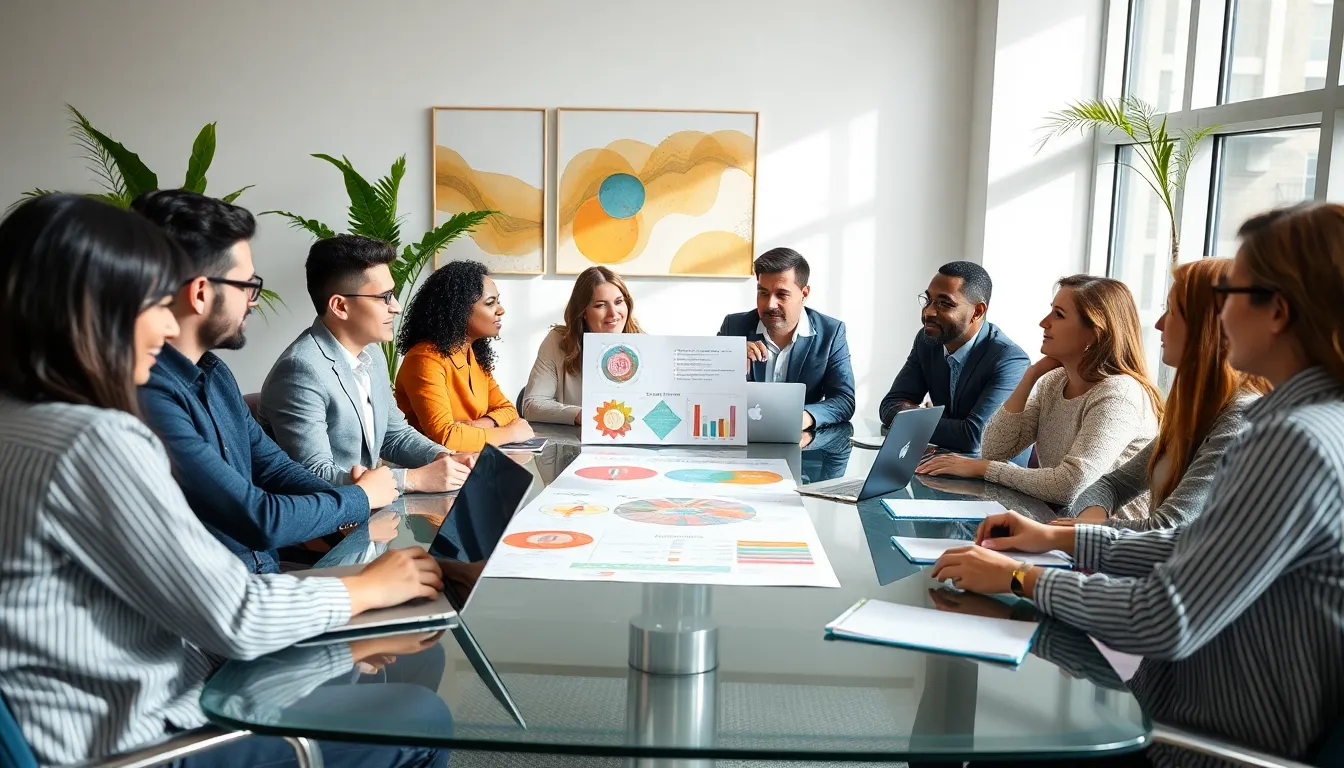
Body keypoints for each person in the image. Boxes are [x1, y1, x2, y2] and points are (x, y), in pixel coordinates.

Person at [0, 194, 445, 768]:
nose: (167, 324)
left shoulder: (23, 420)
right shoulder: (93, 438)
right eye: (154, 301)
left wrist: (352, 590)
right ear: (91, 310)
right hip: (143, 736)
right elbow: (235, 615)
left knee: (406, 652)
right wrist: (366, 588)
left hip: (143, 684)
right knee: (422, 716)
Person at [932, 202, 1344, 766]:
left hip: (1196, 740)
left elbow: (1165, 617)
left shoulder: (1290, 438)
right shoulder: (1316, 421)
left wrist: (1022, 576)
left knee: (965, 734)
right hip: (1177, 702)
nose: (1219, 317)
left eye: (1232, 297)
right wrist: (1060, 539)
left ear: (1278, 310)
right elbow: (1191, 548)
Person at [133, 190, 397, 574]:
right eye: (246, 285)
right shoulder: (150, 395)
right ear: (202, 293)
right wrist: (358, 498)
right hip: (228, 599)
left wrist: (346, 495)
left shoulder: (216, 373)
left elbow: (273, 468)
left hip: (267, 580)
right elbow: (258, 516)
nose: (254, 300)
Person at [918, 275, 1162, 519]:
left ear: (1094, 334)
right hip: (1060, 526)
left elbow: (1069, 484)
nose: (1044, 323)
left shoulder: (1119, 395)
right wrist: (1030, 376)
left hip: (1106, 543)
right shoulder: (1053, 382)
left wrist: (983, 469)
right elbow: (994, 449)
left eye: (1059, 314)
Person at [1059, 259, 1267, 529]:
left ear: (1209, 325)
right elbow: (1109, 485)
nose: (1158, 324)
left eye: (1171, 311)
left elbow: (1168, 527)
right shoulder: (1192, 413)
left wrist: (1079, 534)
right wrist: (1085, 528)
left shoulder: (1241, 416)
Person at [261, 234, 474, 493]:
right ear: (340, 306)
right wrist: (412, 480)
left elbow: (394, 435)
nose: (395, 307)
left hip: (374, 509)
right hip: (328, 523)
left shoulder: (372, 354)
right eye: (384, 297)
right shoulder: (300, 370)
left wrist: (443, 457)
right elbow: (313, 474)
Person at [879, 261, 1029, 455]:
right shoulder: (927, 341)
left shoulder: (1009, 360)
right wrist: (937, 422)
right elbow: (889, 406)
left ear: (977, 312)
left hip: (990, 479)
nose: (929, 312)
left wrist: (911, 417)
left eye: (944, 303)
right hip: (940, 464)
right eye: (928, 300)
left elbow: (975, 436)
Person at [394, 260, 534, 451]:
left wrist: (478, 426)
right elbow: (447, 438)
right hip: (428, 469)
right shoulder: (425, 359)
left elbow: (508, 410)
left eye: (498, 301)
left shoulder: (472, 354)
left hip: (467, 461)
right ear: (458, 310)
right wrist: (511, 433)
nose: (501, 310)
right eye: (490, 303)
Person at [717, 247, 855, 430]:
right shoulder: (734, 326)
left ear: (804, 294)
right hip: (742, 437)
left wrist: (803, 418)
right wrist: (729, 358)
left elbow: (843, 400)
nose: (770, 304)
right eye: (763, 293)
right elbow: (705, 391)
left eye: (781, 294)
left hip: (801, 445)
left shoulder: (831, 333)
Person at [522, 265, 644, 425]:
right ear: (583, 312)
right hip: (573, 443)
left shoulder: (643, 343)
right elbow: (532, 405)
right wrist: (580, 415)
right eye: (601, 305)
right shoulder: (558, 341)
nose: (613, 313)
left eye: (618, 302)